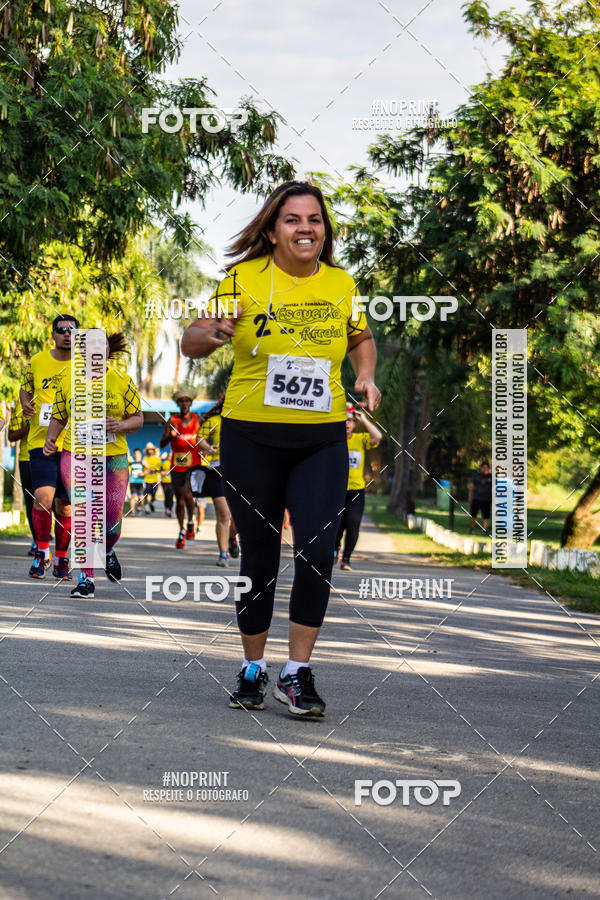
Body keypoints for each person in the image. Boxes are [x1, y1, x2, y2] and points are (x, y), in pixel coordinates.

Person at [181, 180, 380, 718]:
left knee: (316, 551)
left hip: (320, 438)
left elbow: (360, 337)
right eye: (292, 220)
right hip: (250, 434)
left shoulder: (341, 283)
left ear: (325, 230)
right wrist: (215, 331)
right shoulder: (242, 280)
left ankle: (297, 673)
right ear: (272, 231)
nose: (305, 228)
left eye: (314, 219)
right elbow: (191, 340)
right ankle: (252, 666)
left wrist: (365, 377)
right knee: (260, 555)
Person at [44, 331, 143, 598]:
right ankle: (86, 579)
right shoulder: (67, 379)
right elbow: (58, 415)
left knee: (110, 524)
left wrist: (120, 424)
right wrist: (50, 439)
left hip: (113, 459)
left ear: (108, 351)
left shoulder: (122, 380)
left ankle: (108, 549)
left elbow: (138, 419)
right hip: (75, 456)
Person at [20, 314, 76, 580]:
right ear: (52, 334)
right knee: (43, 499)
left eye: (71, 331)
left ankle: (62, 558)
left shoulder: (84, 365)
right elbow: (25, 388)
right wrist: (25, 403)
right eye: (61, 330)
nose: (66, 334)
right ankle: (43, 553)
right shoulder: (38, 361)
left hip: (73, 445)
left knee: (65, 506)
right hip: (40, 443)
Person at [335, 406, 382, 570]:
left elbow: (377, 437)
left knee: (353, 523)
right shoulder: (333, 439)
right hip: (336, 489)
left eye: (349, 420)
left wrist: (364, 419)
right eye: (343, 419)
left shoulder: (360, 439)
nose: (346, 423)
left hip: (356, 490)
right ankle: (335, 549)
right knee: (337, 524)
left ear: (354, 423)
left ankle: (346, 559)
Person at [192, 400, 234, 566]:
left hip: (239, 471)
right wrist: (209, 449)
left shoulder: (243, 421)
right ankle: (223, 554)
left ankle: (232, 537)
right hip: (217, 469)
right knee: (224, 514)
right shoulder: (213, 421)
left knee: (237, 516)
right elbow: (199, 438)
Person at [159, 389, 202, 548]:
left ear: (191, 403)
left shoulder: (198, 419)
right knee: (180, 500)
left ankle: (191, 521)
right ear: (177, 403)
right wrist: (170, 435)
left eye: (187, 401)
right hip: (177, 465)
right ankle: (182, 530)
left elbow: (206, 437)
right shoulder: (172, 420)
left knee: (188, 494)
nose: (184, 403)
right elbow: (161, 444)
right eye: (181, 401)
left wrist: (205, 447)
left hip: (194, 464)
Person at [8, 405, 36, 555]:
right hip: (28, 457)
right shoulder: (21, 404)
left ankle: (61, 549)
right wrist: (30, 428)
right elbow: (10, 436)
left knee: (59, 502)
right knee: (31, 501)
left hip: (56, 454)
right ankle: (37, 541)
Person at [469, 461, 492, 535]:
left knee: (486, 516)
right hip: (476, 498)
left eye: (487, 468)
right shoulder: (476, 476)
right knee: (473, 515)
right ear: (481, 468)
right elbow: (471, 487)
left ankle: (484, 531)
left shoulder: (491, 477)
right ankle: (472, 529)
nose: (485, 469)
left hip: (487, 499)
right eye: (484, 467)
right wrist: (470, 497)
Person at [142, 443, 161, 513]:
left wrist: (159, 480)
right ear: (147, 451)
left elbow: (159, 470)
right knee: (146, 494)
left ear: (153, 451)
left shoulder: (157, 459)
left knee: (154, 496)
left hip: (154, 480)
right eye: (148, 450)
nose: (150, 451)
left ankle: (151, 502)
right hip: (146, 480)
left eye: (151, 450)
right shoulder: (145, 459)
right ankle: (146, 507)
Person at [129, 448, 145, 516]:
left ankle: (139, 507)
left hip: (140, 482)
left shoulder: (143, 462)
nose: (136, 455)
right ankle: (132, 511)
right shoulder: (132, 462)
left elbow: (149, 469)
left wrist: (143, 473)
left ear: (140, 454)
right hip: (133, 481)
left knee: (141, 498)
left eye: (138, 454)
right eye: (135, 454)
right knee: (133, 496)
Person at [160, 450, 174, 517]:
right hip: (165, 482)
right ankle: (166, 509)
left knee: (171, 496)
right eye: (170, 456)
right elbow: (161, 472)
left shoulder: (175, 463)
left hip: (173, 483)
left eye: (172, 456)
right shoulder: (165, 463)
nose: (170, 457)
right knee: (166, 496)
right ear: (168, 456)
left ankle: (170, 509)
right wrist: (168, 471)